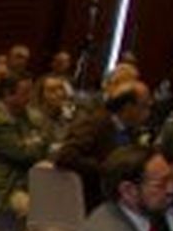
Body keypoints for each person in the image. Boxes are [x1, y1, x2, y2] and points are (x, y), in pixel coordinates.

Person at [55, 81, 152, 210]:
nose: (148, 113)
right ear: (128, 107)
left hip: (122, 193)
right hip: (93, 197)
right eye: (144, 106)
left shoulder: (132, 130)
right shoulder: (95, 125)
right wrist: (105, 168)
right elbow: (66, 156)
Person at [0, 75, 48, 220]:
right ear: (7, 94)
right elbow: (27, 154)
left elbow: (36, 138)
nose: (30, 98)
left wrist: (35, 141)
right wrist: (38, 141)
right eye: (25, 93)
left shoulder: (20, 114)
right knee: (39, 215)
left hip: (15, 178)